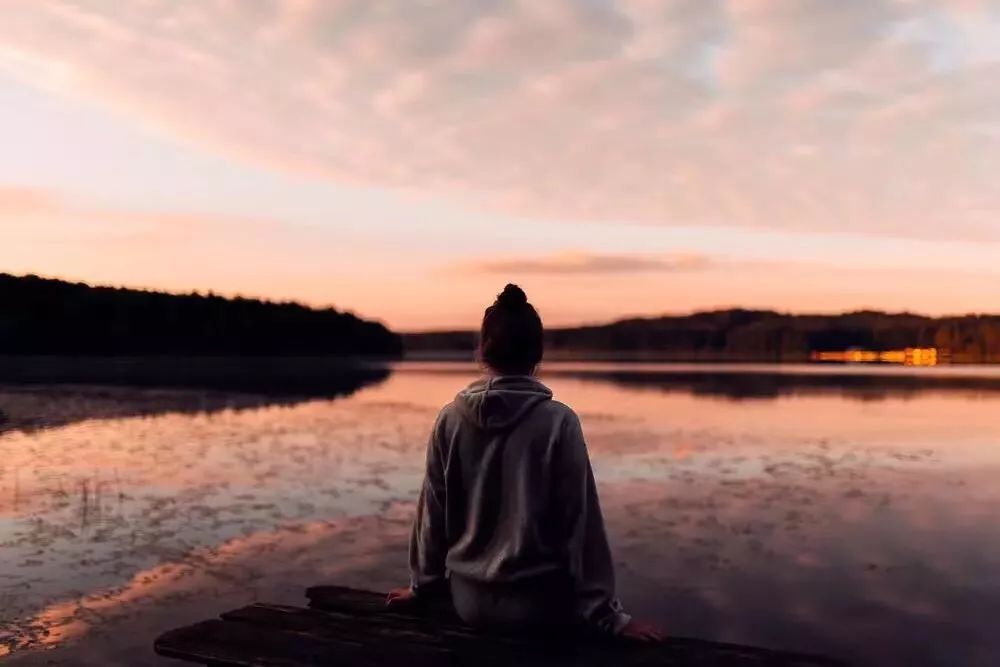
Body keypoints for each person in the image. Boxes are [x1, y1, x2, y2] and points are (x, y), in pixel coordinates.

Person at [387, 284, 660, 641]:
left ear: (483, 350)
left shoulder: (449, 419)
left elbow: (432, 518)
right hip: (539, 606)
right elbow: (581, 525)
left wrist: (421, 588)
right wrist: (611, 618)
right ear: (538, 354)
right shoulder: (558, 421)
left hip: (468, 603)